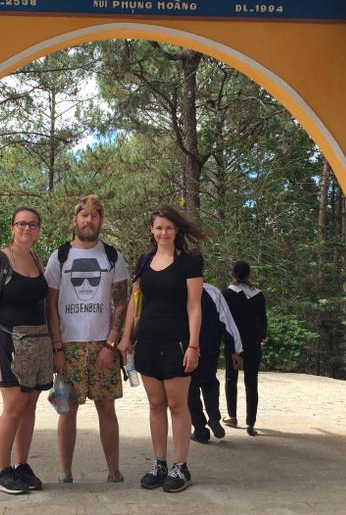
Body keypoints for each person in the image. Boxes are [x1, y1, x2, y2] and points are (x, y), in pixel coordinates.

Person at [45, 195, 129, 484]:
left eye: (95, 216)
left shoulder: (113, 257)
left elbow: (121, 303)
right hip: (68, 346)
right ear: (75, 219)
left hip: (102, 345)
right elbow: (51, 305)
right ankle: (65, 472)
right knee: (67, 410)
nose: (89, 220)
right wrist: (57, 347)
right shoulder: (60, 256)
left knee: (106, 408)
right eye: (84, 215)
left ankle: (113, 472)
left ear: (101, 221)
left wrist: (111, 344)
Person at [119, 205, 203, 493]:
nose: (163, 232)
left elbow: (194, 306)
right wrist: (125, 335)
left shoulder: (189, 262)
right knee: (156, 405)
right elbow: (135, 301)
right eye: (158, 228)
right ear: (152, 231)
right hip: (148, 342)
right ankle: (159, 463)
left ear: (176, 230)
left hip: (177, 341)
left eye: (168, 227)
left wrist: (193, 344)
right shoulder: (143, 262)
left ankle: (181, 467)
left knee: (178, 405)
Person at [0, 206, 52, 495]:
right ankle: (0, 471)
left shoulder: (36, 259)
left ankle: (21, 465)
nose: (26, 229)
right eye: (21, 224)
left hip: (37, 342)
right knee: (13, 407)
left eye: (32, 224)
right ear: (12, 227)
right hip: (9, 341)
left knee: (29, 406)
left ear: (38, 230)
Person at [188, 282, 243, 444]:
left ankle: (200, 429)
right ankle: (213, 417)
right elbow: (227, 321)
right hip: (210, 347)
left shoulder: (179, 287)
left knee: (189, 389)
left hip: (186, 349)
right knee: (209, 382)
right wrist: (235, 348)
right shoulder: (213, 291)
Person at [222, 260, 268, 437]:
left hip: (233, 342)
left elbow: (223, 319)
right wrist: (262, 336)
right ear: (249, 275)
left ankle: (232, 416)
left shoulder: (226, 294)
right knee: (251, 381)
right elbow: (263, 320)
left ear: (232, 274)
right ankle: (251, 423)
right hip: (253, 342)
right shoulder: (258, 294)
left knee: (230, 378)